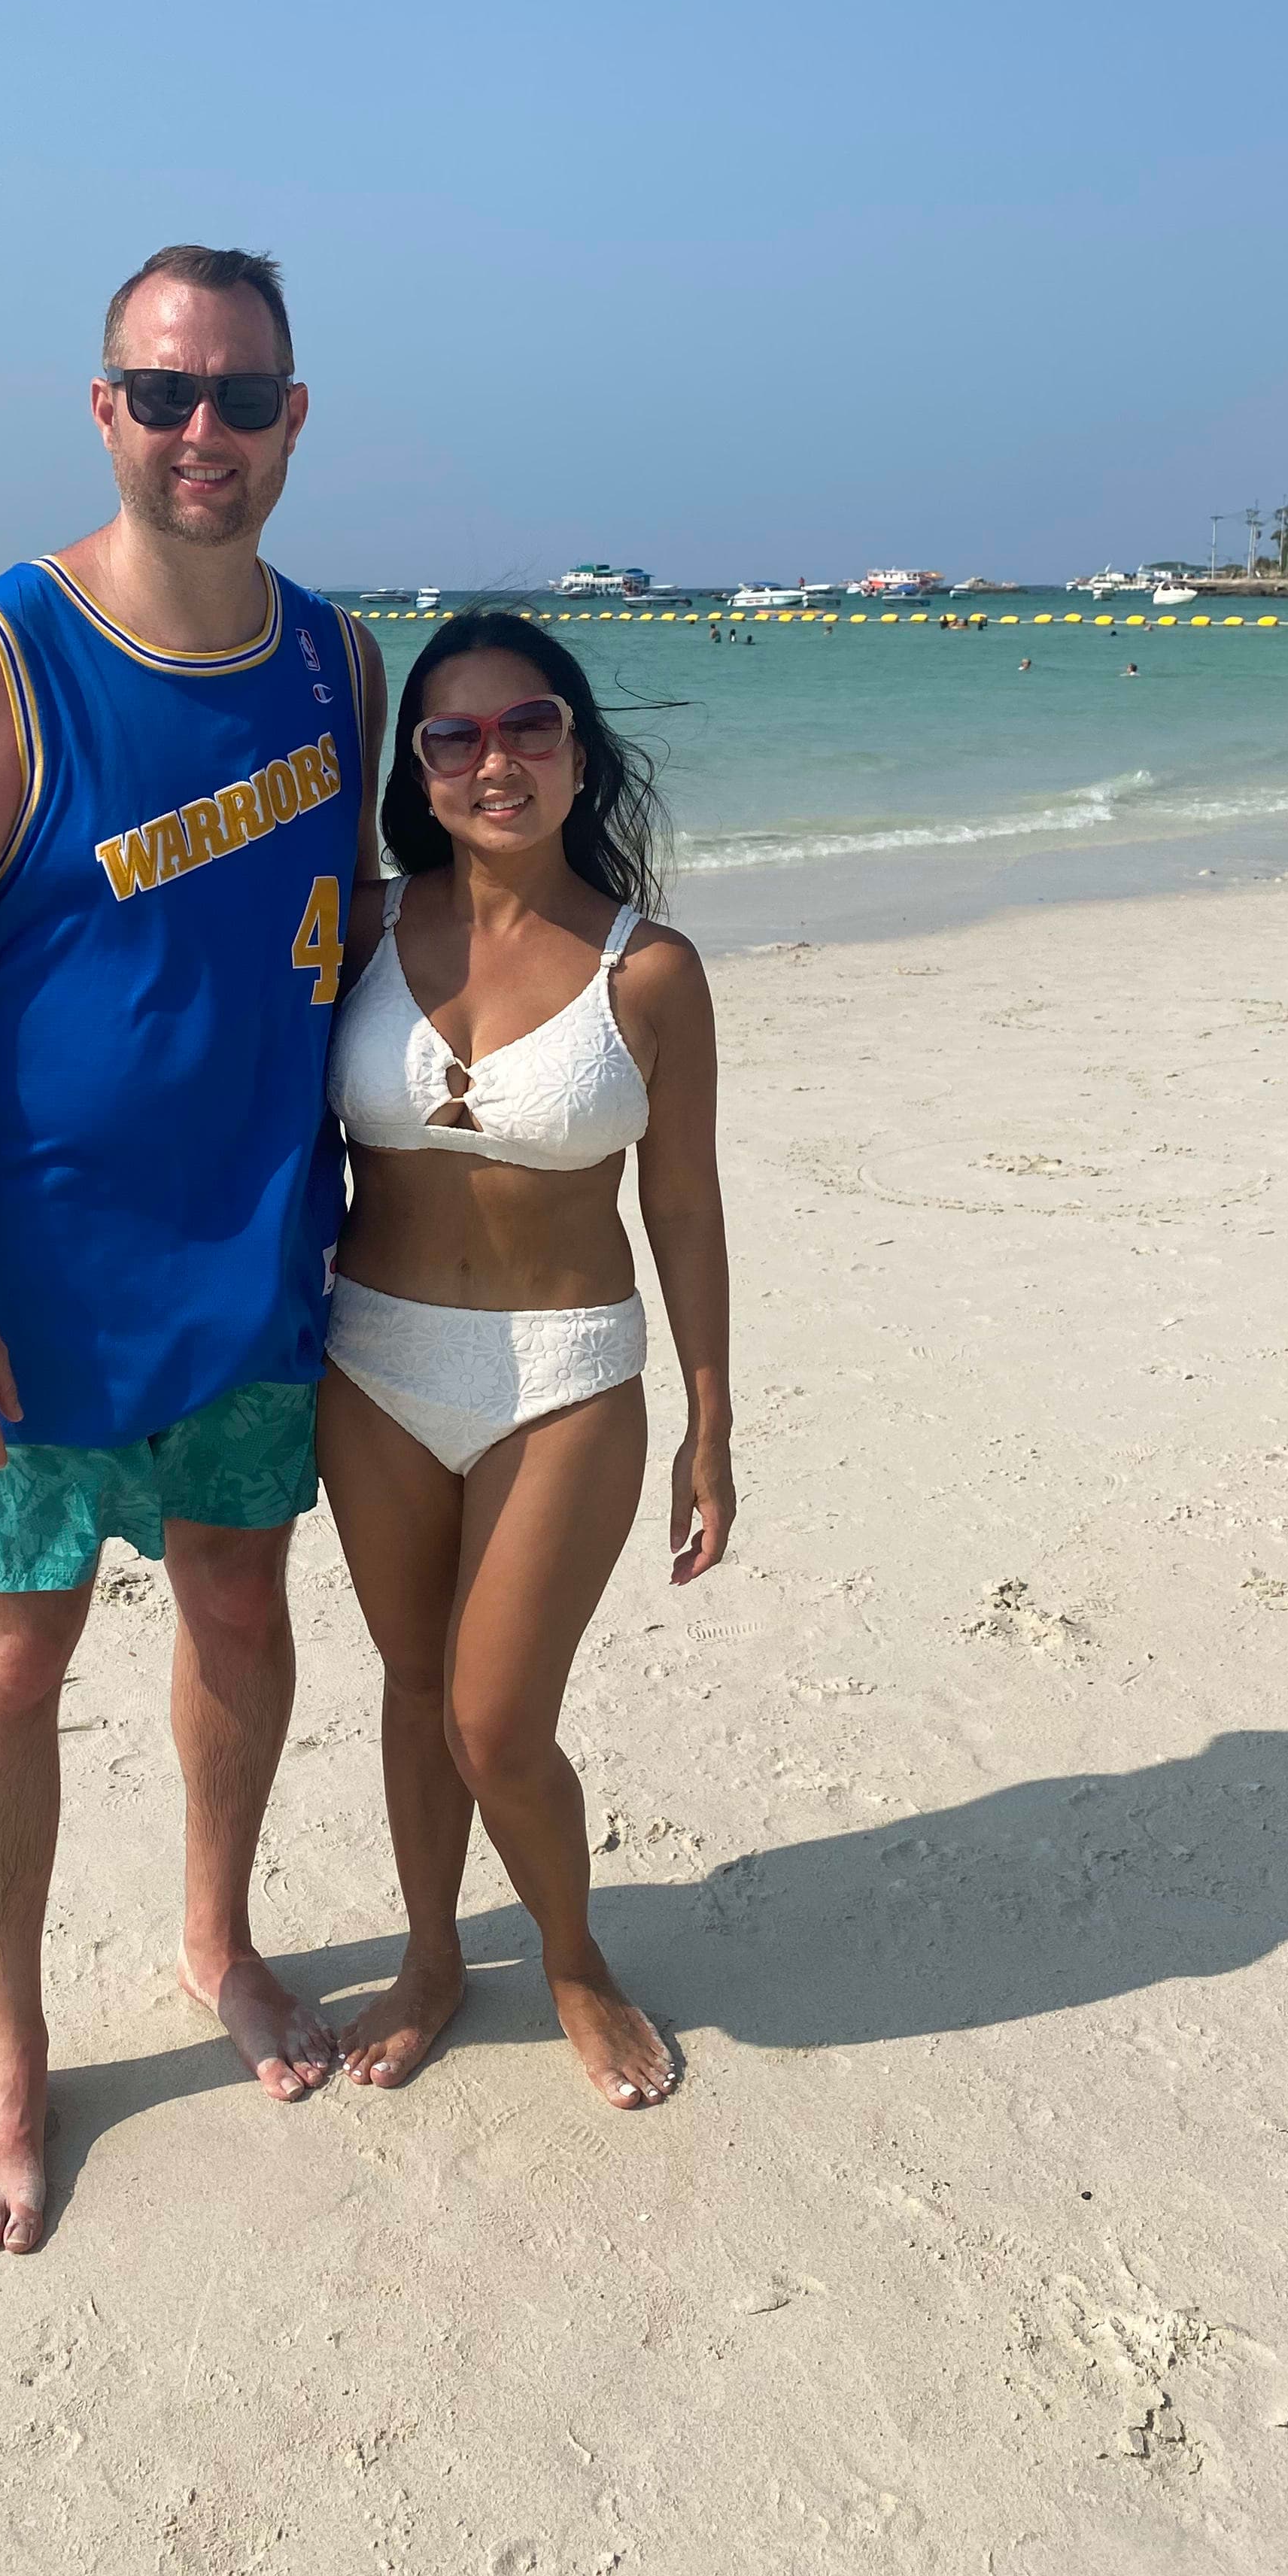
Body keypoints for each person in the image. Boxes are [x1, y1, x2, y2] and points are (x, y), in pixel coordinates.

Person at [0, 244, 386, 2254]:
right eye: (163, 393)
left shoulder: (339, 667)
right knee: (11, 1657)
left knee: (240, 1618)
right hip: (36, 1299)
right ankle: (8, 2053)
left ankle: (215, 1942)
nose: (202, 434)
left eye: (242, 397)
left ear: (294, 419)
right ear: (103, 408)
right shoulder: (0, 654)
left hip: (255, 1267)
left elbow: (352, 939)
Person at [317, 612, 734, 2111]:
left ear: (580, 750)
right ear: (416, 772)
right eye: (455, 735)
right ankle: (433, 1956)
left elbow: (680, 1199)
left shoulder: (651, 971)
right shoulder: (360, 928)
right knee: (414, 1682)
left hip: (564, 1376)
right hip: (368, 1361)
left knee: (496, 1718)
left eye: (529, 726)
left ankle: (570, 1955)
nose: (496, 759)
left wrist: (712, 1419)